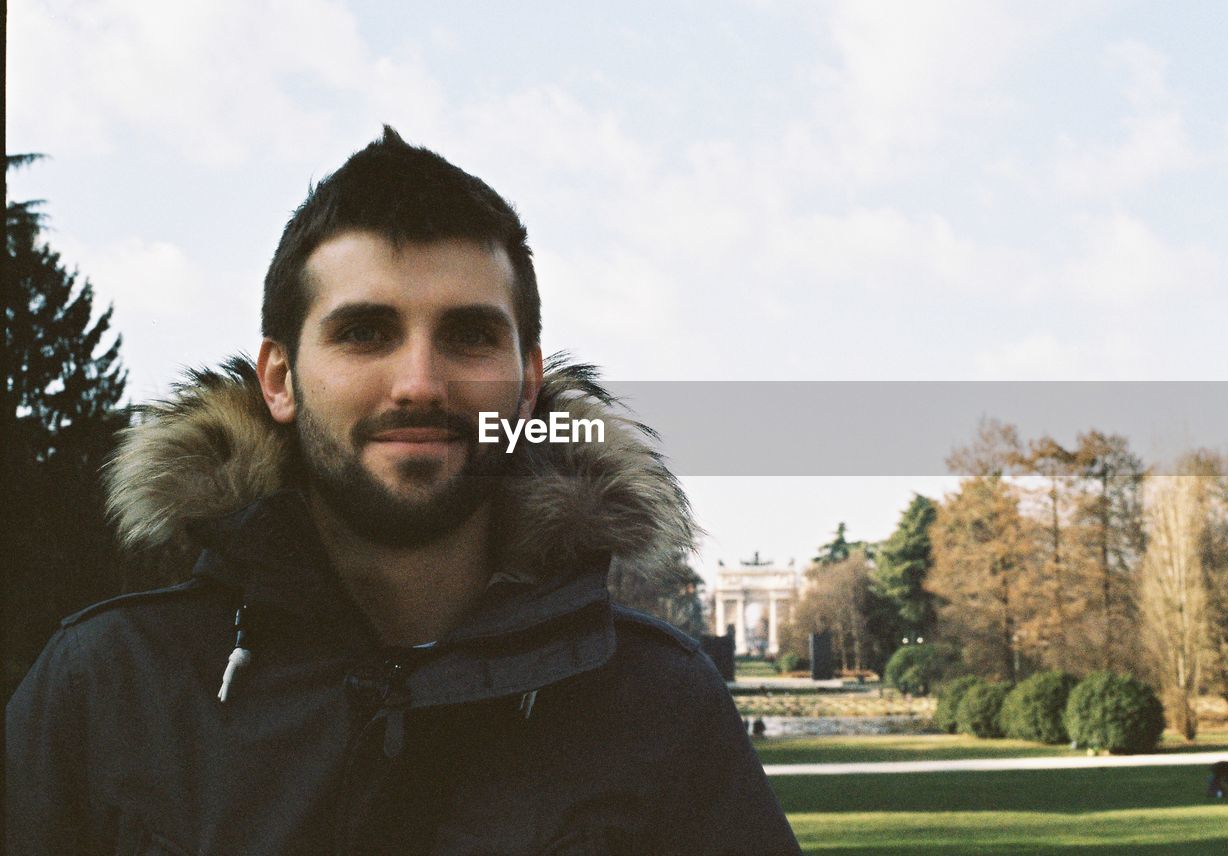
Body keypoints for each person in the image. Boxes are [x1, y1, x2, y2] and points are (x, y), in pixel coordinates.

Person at [6, 127, 800, 854]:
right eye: (364, 333)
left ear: (529, 386)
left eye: (469, 335)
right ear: (279, 381)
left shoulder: (658, 702)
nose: (419, 384)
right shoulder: (106, 689)